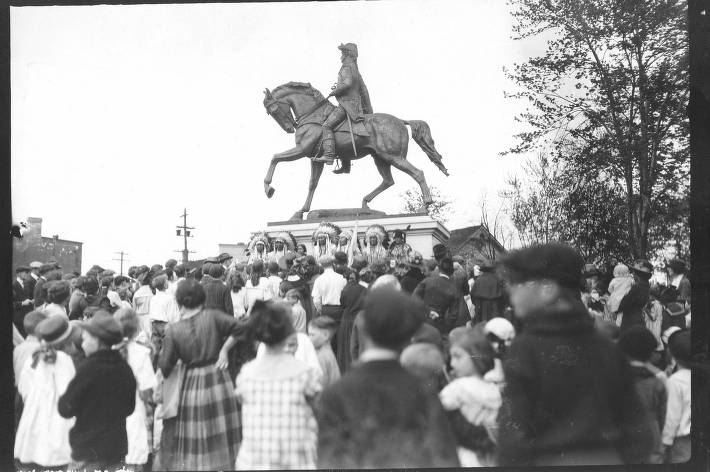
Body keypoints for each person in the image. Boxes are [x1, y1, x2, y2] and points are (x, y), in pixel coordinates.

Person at [496, 243, 655, 466]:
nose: (510, 290)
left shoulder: (524, 349)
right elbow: (639, 431)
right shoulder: (607, 346)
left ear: (547, 289)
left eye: (519, 282)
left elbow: (513, 436)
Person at [317, 287, 460, 468]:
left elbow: (328, 460)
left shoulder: (335, 394)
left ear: (364, 329)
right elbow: (444, 458)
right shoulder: (423, 390)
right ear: (407, 335)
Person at [157, 280, 242, 471]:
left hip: (193, 382)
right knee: (222, 430)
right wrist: (224, 350)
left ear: (179, 301)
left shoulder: (174, 330)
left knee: (198, 430)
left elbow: (165, 366)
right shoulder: (213, 316)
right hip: (219, 376)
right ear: (202, 297)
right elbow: (239, 328)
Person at [236, 301, 321, 470]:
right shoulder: (305, 374)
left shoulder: (246, 375)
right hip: (296, 460)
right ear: (288, 332)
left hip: (254, 461)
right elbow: (319, 410)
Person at [58, 311, 137, 471]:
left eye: (85, 339)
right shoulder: (124, 367)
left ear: (97, 341)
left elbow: (65, 408)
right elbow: (130, 408)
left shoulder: (87, 369)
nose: (83, 343)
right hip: (116, 449)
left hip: (87, 451)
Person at [15, 316, 77, 470]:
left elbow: (23, 388)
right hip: (59, 418)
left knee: (37, 452)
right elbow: (68, 391)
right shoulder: (65, 360)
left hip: (35, 414)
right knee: (57, 457)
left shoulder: (33, 359)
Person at [439, 325, 500, 467]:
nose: (452, 363)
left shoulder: (457, 388)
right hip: (488, 458)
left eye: (458, 356)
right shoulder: (494, 390)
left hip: (460, 456)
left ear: (476, 355)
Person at [313, 42, 372, 175]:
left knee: (327, 125)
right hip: (355, 105)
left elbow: (347, 83)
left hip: (347, 105)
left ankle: (328, 155)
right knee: (343, 132)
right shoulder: (356, 69)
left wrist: (336, 91)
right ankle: (346, 166)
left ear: (347, 54)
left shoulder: (346, 66)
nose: (341, 56)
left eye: (343, 53)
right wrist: (368, 109)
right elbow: (363, 90)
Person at [114, 308, 157, 470]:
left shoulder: (108, 352)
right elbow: (146, 390)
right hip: (135, 411)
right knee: (136, 457)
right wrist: (148, 409)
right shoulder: (141, 353)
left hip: (112, 415)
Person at [618, 326, 667, 464]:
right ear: (651, 352)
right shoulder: (659, 377)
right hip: (651, 433)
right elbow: (664, 413)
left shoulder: (613, 376)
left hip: (622, 433)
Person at [662, 330, 691, 463]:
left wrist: (666, 441)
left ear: (672, 353)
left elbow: (672, 417)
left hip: (683, 441)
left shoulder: (676, 381)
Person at [413, 255, 461, 335]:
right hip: (439, 326)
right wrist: (445, 327)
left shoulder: (427, 281)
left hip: (422, 322)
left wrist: (428, 311)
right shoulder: (454, 289)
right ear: (452, 271)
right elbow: (454, 315)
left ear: (439, 269)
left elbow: (414, 298)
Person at [336, 256, 368, 372]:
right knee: (357, 344)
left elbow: (342, 303)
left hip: (347, 318)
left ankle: (346, 368)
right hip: (358, 318)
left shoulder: (345, 290)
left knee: (346, 345)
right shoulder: (363, 289)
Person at [618, 259, 654, 331]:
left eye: (635, 272)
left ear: (638, 274)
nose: (633, 274)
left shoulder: (637, 286)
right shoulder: (646, 285)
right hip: (639, 318)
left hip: (630, 320)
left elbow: (624, 303)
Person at [308, 316, 341, 389]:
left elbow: (320, 386)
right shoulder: (327, 352)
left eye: (312, 335)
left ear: (325, 335)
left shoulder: (322, 357)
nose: (309, 338)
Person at [311, 255, 347, 321]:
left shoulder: (318, 280)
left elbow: (316, 299)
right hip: (340, 309)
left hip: (326, 309)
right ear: (333, 264)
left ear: (321, 265)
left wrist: (320, 310)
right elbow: (346, 295)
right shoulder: (342, 278)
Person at [132, 270, 154, 338]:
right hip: (151, 316)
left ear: (140, 282)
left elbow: (134, 309)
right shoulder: (153, 292)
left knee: (141, 337)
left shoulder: (137, 293)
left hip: (140, 317)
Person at [13, 266, 34, 336]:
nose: (26, 274)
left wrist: (31, 301)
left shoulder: (26, 284)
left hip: (27, 317)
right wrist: (22, 303)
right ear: (18, 274)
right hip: (18, 318)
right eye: (24, 273)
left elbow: (28, 298)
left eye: (27, 273)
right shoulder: (13, 285)